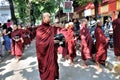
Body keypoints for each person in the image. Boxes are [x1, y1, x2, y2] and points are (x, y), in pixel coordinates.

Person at [36, 12, 59, 80]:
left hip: (51, 53)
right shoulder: (40, 29)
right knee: (47, 70)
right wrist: (52, 42)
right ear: (44, 18)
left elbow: (52, 37)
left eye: (50, 16)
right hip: (44, 56)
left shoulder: (51, 28)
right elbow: (40, 44)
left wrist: (58, 40)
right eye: (48, 16)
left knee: (53, 69)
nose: (50, 18)